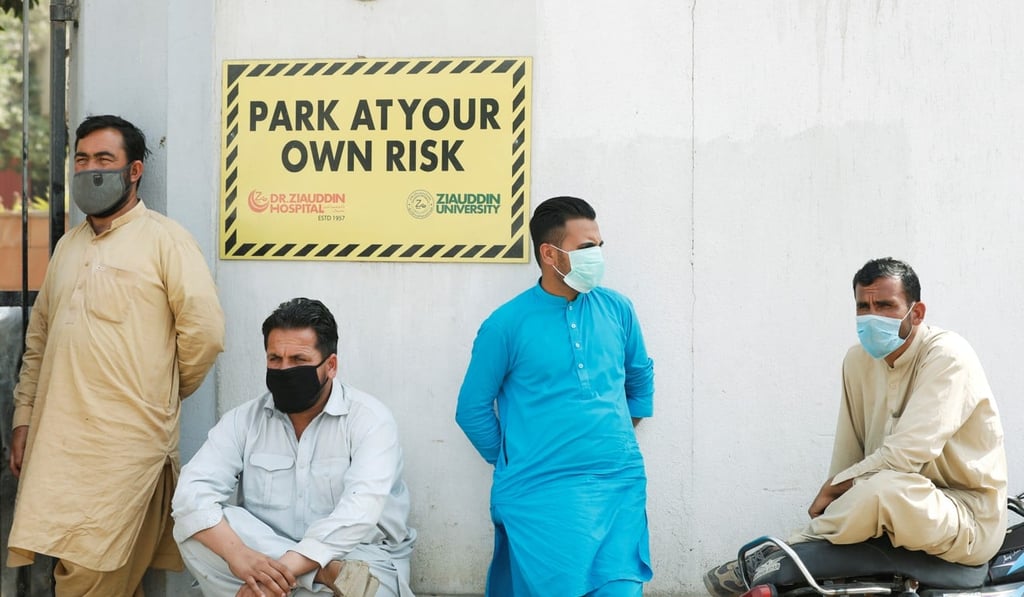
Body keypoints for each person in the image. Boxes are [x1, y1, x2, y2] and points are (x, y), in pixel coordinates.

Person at [6, 114, 226, 595]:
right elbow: (39, 341)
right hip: (59, 445)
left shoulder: (166, 240)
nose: (91, 169)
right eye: (82, 159)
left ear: (135, 171)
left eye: (105, 159)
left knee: (91, 575)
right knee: (84, 568)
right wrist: (25, 418)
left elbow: (204, 332)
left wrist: (159, 393)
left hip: (126, 450)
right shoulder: (67, 246)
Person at [704, 257, 1008, 596]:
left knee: (886, 488)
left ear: (917, 313)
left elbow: (907, 455)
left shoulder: (947, 356)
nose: (871, 316)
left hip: (965, 516)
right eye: (863, 306)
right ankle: (797, 556)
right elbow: (849, 453)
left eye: (885, 305)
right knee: (880, 487)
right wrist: (837, 493)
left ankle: (783, 551)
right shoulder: (857, 360)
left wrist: (837, 486)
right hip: (889, 503)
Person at [456, 196, 656, 596]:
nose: (598, 255)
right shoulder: (506, 324)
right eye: (586, 248)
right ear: (550, 253)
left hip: (617, 483)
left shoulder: (617, 309)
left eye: (599, 245)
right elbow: (472, 408)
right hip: (540, 490)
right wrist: (514, 458)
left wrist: (616, 438)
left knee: (621, 587)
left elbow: (639, 375)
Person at [172, 297, 416, 597]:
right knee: (195, 528)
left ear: (331, 365)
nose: (285, 369)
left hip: (358, 562)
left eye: (298, 360)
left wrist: (273, 573)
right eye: (275, 359)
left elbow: (358, 514)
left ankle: (282, 583)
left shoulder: (370, 419)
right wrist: (239, 556)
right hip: (295, 569)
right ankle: (318, 576)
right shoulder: (244, 420)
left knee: (367, 588)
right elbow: (190, 495)